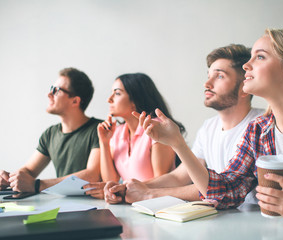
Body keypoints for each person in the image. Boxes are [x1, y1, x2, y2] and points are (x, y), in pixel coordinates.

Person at [135, 29, 283, 228]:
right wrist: (177, 143)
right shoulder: (258, 131)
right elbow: (224, 192)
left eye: (260, 57)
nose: (246, 65)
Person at [104, 44, 264, 204]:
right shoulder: (209, 127)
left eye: (219, 76)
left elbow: (215, 188)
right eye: (208, 75)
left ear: (245, 87)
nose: (207, 83)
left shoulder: (261, 126)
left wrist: (149, 193)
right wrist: (129, 187)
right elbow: (179, 176)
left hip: (249, 218)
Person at [0, 67, 104, 198]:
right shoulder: (50, 133)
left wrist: (38, 185)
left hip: (96, 206)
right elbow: (29, 170)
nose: (48, 94)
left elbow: (92, 175)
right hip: (64, 205)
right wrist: (11, 179)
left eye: (56, 90)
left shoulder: (100, 129)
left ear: (75, 101)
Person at [95, 73, 185, 184]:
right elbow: (110, 181)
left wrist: (125, 191)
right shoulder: (117, 132)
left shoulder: (157, 127)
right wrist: (104, 143)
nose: (109, 99)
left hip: (155, 199)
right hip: (130, 199)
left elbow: (162, 183)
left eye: (117, 93)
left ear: (134, 100)